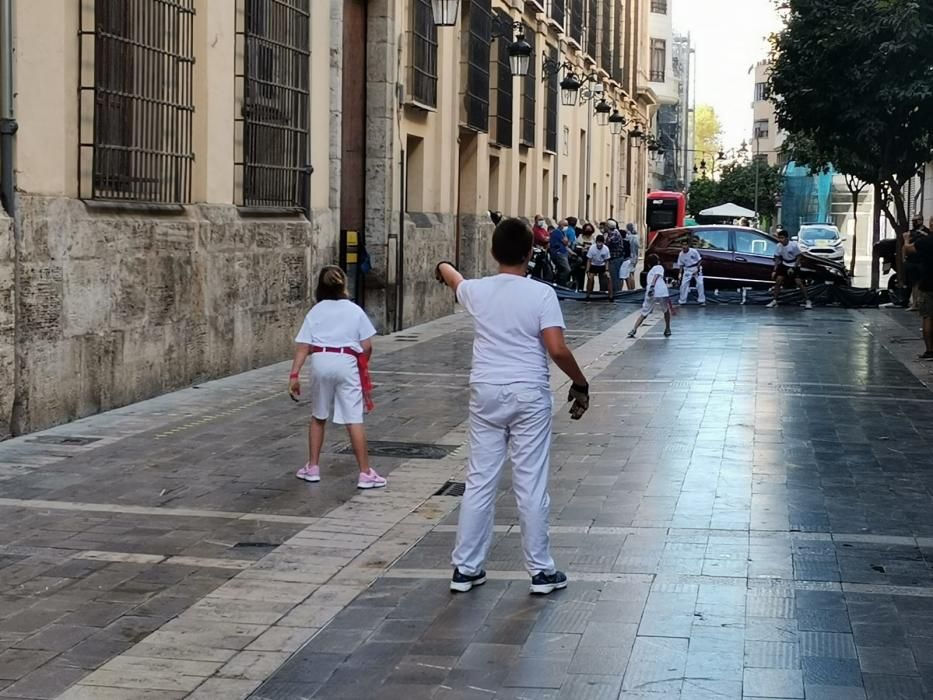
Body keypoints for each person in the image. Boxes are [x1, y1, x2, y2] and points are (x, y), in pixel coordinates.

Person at [435, 218, 590, 595]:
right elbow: (556, 348)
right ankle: (540, 570)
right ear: (529, 253)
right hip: (528, 394)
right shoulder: (540, 295)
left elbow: (453, 278)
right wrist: (580, 382)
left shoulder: (478, 291)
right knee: (530, 482)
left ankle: (466, 568)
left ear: (493, 253)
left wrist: (441, 265)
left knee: (480, 480)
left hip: (486, 391)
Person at [289, 266, 387, 489]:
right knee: (354, 418)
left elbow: (303, 346)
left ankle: (312, 467)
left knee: (318, 415)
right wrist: (364, 363)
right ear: (344, 285)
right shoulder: (354, 310)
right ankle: (365, 473)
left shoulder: (316, 311)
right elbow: (367, 345)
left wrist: (294, 375)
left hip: (322, 360)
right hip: (346, 362)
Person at [627, 253, 672, 338]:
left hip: (651, 293)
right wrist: (653, 285)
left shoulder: (649, 273)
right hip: (661, 292)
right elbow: (657, 275)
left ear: (648, 264)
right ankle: (667, 328)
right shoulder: (659, 267)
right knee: (666, 310)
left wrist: (651, 287)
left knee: (644, 312)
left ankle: (634, 329)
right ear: (658, 262)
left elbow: (655, 276)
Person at [905, 229, 933, 359]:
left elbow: (908, 249)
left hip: (928, 283)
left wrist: (906, 239)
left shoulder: (926, 241)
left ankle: (929, 350)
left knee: (927, 317)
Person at [767, 228, 812, 309]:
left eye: (782, 238)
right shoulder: (779, 246)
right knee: (778, 281)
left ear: (787, 238)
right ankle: (774, 300)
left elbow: (799, 257)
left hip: (794, 264)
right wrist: (774, 270)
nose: (781, 240)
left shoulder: (793, 245)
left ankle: (808, 301)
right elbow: (777, 258)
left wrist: (794, 268)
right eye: (779, 238)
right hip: (784, 264)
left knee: (799, 282)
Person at [676, 237, 706, 305]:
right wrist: (680, 273)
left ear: (688, 245)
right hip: (687, 269)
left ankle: (701, 300)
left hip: (696, 267)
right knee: (683, 285)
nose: (684, 247)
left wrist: (697, 270)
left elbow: (699, 260)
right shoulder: (681, 254)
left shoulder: (693, 251)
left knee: (700, 283)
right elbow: (681, 265)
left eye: (685, 245)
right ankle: (682, 300)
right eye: (683, 245)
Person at [586, 234, 612, 301]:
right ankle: (588, 295)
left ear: (603, 242)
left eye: (601, 242)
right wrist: (587, 270)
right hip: (593, 265)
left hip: (602, 265)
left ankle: (610, 296)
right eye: (598, 242)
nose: (599, 244)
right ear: (596, 242)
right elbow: (589, 260)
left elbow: (606, 261)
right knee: (590, 278)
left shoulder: (606, 249)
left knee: (609, 278)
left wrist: (607, 270)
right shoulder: (592, 248)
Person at [605, 219, 628, 295]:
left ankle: (617, 293)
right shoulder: (613, 232)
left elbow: (608, 242)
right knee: (614, 276)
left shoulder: (614, 233)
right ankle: (615, 291)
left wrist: (605, 237)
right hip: (614, 258)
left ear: (608, 226)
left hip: (616, 258)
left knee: (615, 277)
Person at [624, 223, 640, 290]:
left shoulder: (628, 237)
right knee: (632, 272)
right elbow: (638, 246)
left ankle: (630, 289)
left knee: (629, 273)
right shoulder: (636, 237)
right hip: (635, 256)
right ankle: (633, 288)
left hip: (629, 256)